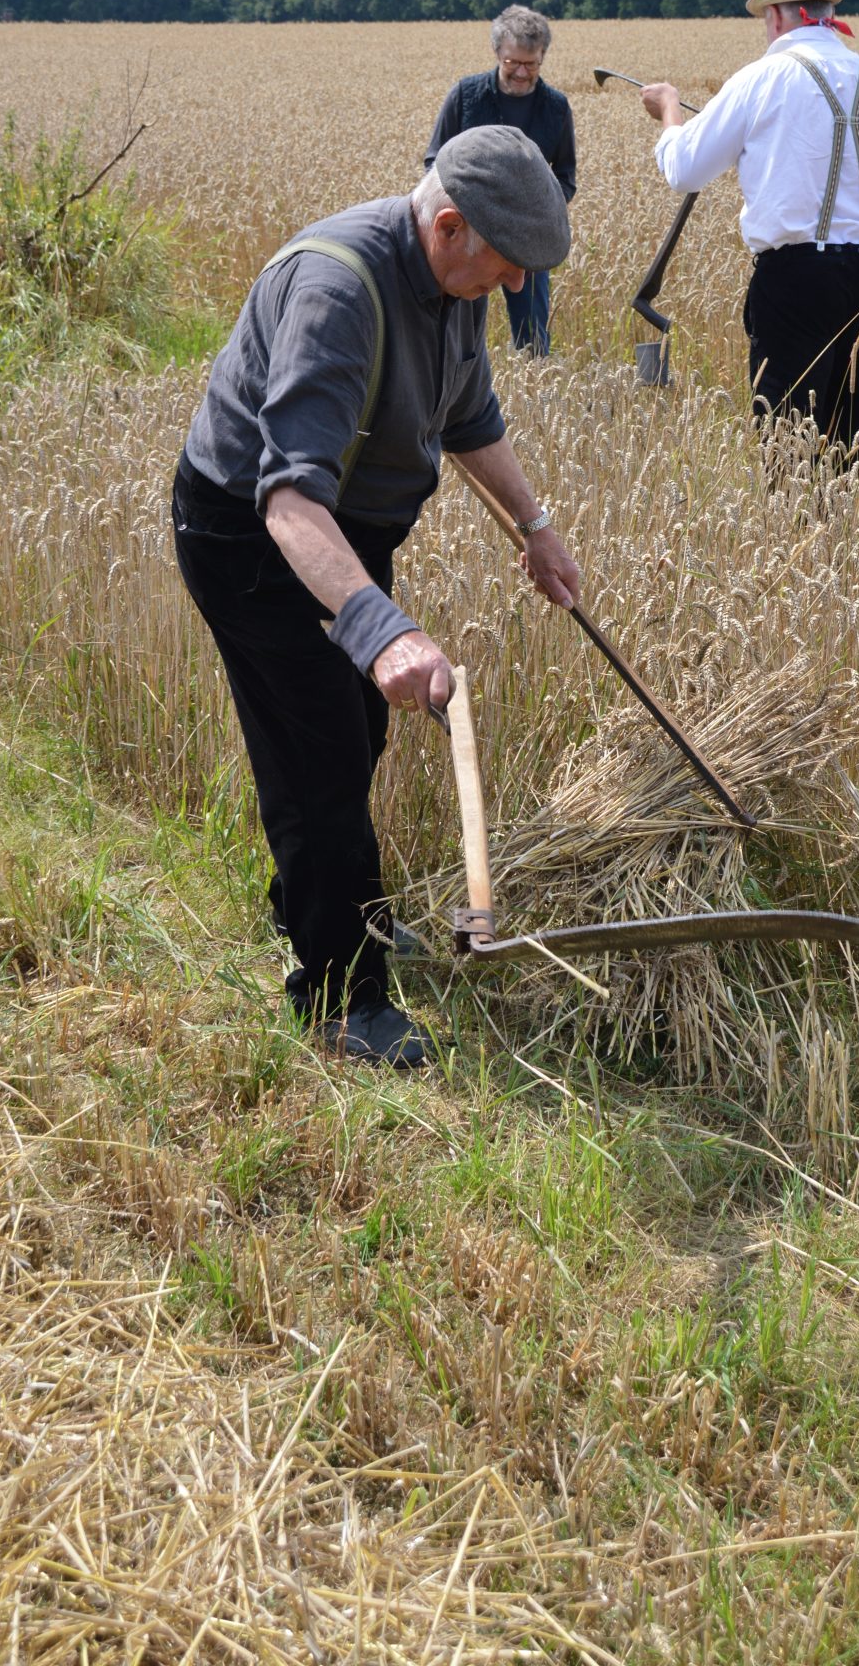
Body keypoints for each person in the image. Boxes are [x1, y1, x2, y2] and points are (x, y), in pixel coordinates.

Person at [172, 125, 581, 1068]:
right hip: (254, 538)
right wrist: (380, 629)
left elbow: (469, 413)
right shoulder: (339, 291)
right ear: (449, 224)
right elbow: (288, 498)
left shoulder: (448, 280)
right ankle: (344, 1002)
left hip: (342, 533)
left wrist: (535, 526)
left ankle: (315, 904)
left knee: (359, 732)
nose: (517, 287)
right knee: (322, 758)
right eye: (509, 265)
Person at [639, 0, 859, 459]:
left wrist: (670, 110)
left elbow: (684, 169)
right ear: (823, 11)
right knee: (846, 425)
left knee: (786, 430)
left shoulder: (763, 78)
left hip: (797, 277)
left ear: (778, 15)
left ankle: (796, 533)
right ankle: (837, 532)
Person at [425, 5, 576, 356]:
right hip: (464, 237)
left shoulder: (556, 108)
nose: (522, 72)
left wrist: (536, 211)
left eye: (531, 64)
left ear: (543, 58)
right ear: (497, 54)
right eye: (513, 63)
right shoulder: (464, 96)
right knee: (452, 333)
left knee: (532, 337)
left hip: (527, 238)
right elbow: (435, 162)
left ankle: (535, 394)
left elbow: (565, 178)